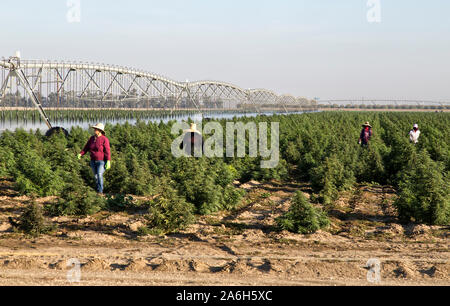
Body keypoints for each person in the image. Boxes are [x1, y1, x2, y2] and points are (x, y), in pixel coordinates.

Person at [78, 123, 111, 194]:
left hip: (101, 161)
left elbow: (107, 150)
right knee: (96, 177)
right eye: (94, 129)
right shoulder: (92, 139)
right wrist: (81, 153)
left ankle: (100, 192)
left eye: (96, 129)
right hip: (93, 161)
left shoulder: (104, 139)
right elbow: (86, 147)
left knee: (99, 174)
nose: (94, 130)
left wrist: (108, 161)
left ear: (100, 131)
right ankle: (97, 190)